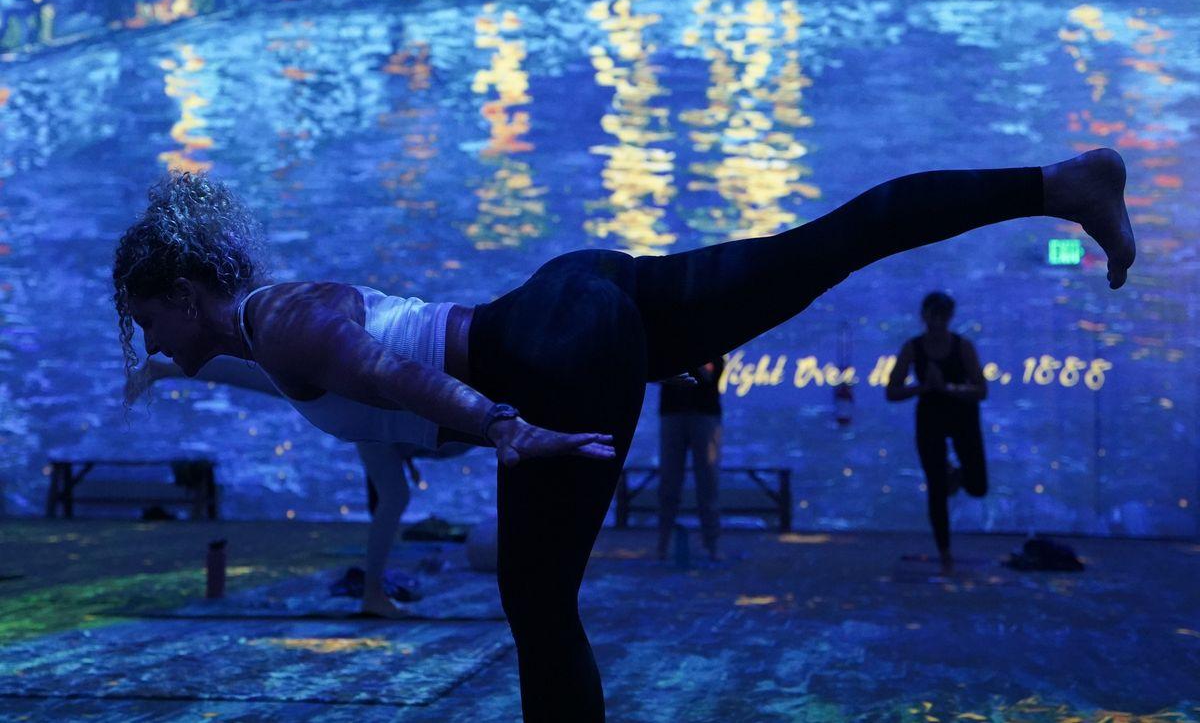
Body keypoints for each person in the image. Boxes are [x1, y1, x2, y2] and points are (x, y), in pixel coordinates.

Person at [112, 148, 1134, 722]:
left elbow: (387, 370)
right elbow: (302, 374)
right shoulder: (266, 325)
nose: (141, 337)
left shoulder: (288, 321)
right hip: (580, 294)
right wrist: (170, 365)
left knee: (537, 603)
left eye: (144, 321)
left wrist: (507, 427)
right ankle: (1060, 188)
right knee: (824, 244)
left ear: (189, 291)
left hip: (549, 349)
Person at [125, 353, 465, 617]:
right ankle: (373, 593)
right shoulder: (467, 423)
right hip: (373, 416)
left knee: (270, 380)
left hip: (380, 423)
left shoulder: (465, 424)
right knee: (268, 379)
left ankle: (373, 593)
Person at [885, 291, 988, 574]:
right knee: (936, 488)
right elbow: (891, 391)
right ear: (924, 316)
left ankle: (957, 474)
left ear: (949, 318)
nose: (937, 322)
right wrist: (924, 388)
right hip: (930, 416)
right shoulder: (913, 347)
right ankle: (945, 555)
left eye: (942, 317)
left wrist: (948, 388)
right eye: (933, 316)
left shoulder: (962, 346)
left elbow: (981, 389)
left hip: (962, 415)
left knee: (978, 485)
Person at [656, 356, 726, 562]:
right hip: (673, 410)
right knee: (669, 480)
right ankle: (663, 544)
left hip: (704, 411)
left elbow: (710, 373)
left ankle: (712, 543)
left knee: (708, 479)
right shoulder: (669, 339)